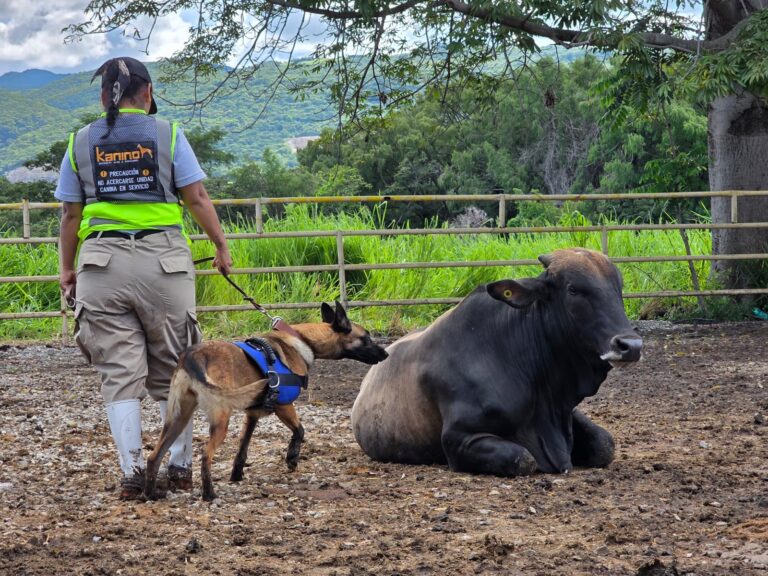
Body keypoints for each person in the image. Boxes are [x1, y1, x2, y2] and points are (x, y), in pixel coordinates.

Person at [55, 57, 233, 500]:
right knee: (175, 367)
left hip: (101, 266)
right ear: (148, 93)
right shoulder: (167, 134)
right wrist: (220, 244)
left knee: (118, 372)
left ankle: (134, 473)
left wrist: (67, 268)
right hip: (163, 265)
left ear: (103, 96)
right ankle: (178, 468)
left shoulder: (80, 142)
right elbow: (196, 196)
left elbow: (70, 214)